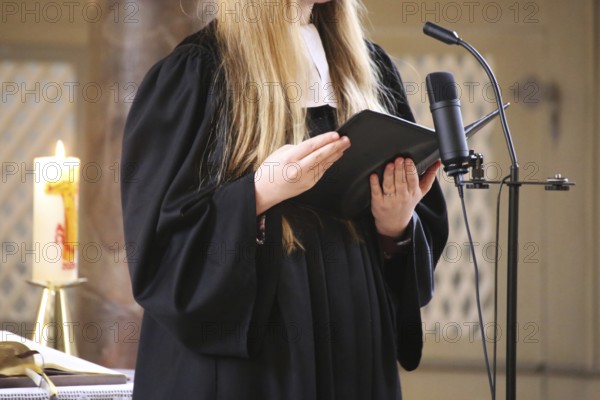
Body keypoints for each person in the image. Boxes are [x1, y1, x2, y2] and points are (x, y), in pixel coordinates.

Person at [121, 0, 448, 398]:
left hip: (354, 349)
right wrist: (259, 192)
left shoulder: (369, 66)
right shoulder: (200, 72)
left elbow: (406, 254)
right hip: (257, 362)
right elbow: (161, 247)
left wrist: (395, 224)